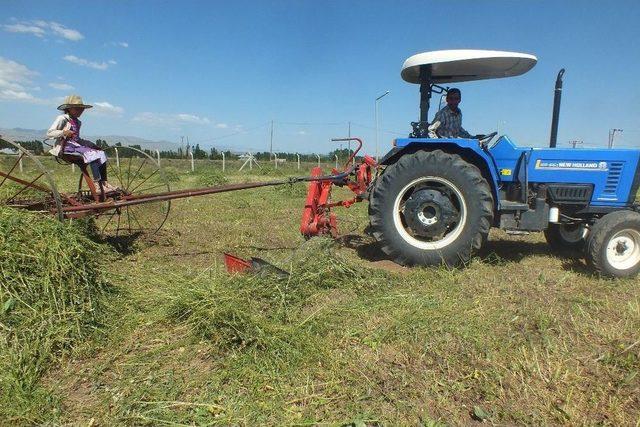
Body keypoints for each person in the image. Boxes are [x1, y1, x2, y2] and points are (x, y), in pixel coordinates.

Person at [47, 95, 119, 193]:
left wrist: (91, 144)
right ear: (69, 109)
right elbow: (49, 133)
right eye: (77, 109)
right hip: (65, 148)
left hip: (76, 147)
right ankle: (97, 186)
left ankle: (104, 183)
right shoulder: (62, 118)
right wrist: (63, 132)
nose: (80, 111)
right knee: (93, 154)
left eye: (81, 109)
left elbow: (77, 139)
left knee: (101, 153)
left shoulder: (77, 122)